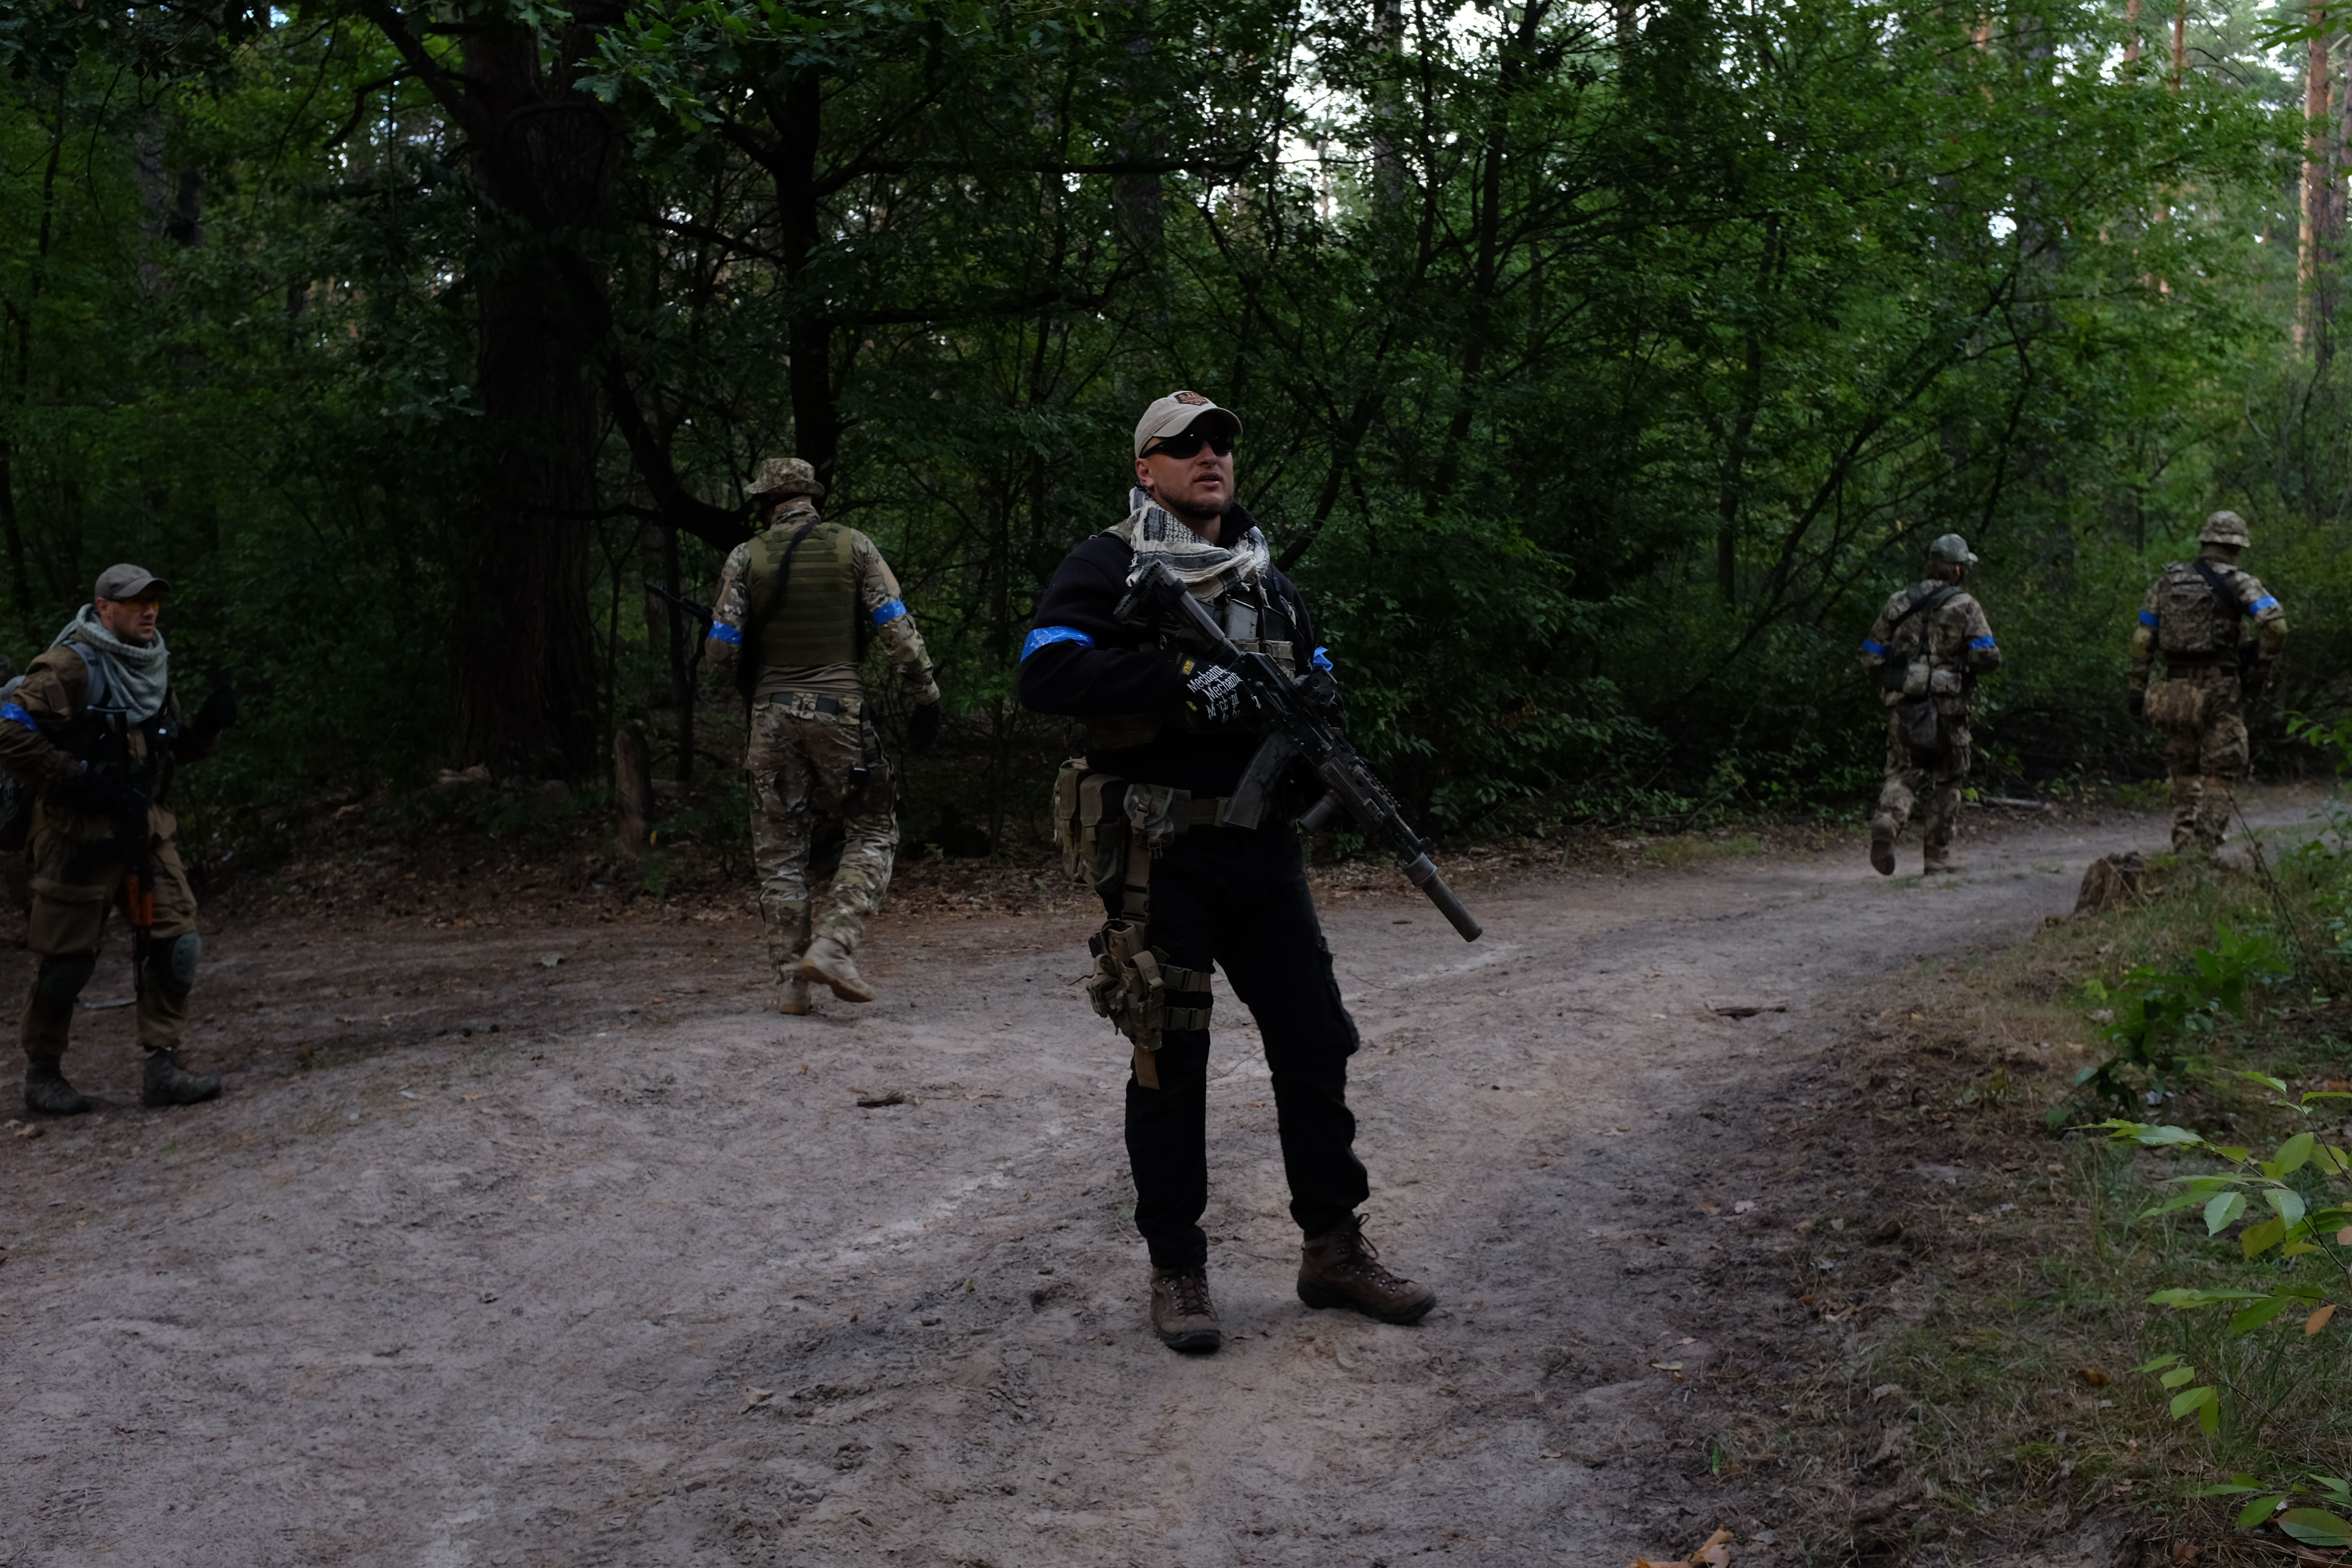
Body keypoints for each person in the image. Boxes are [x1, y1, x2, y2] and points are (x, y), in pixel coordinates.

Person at [1019, 389, 1435, 1354]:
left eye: (1221, 442)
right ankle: (1177, 1268)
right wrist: (1174, 681)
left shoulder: (1262, 575)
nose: (1209, 454)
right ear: (1147, 468)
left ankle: (1333, 1248)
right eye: (1185, 444)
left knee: (1315, 1041)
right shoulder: (1108, 562)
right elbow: (1045, 670)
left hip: (1264, 853)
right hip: (1163, 856)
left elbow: (1315, 670)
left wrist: (1320, 704)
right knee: (1170, 1057)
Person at [706, 456, 943, 1014]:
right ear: (810, 497)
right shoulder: (853, 546)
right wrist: (926, 693)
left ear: (766, 502)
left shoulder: (744, 557)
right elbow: (896, 631)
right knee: (874, 829)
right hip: (840, 713)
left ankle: (792, 985)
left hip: (771, 718)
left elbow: (720, 651)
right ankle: (834, 945)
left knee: (779, 851)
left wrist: (746, 671)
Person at [2, 564, 236, 1115]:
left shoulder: (151, 665)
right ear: (104, 608)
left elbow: (166, 748)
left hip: (144, 828)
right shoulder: (70, 666)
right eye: (134, 602)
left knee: (178, 945)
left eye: (153, 601)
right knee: (67, 964)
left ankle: (163, 1065)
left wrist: (207, 728)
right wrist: (76, 776)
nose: (148, 611)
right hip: (75, 836)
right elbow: (9, 731)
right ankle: (43, 1074)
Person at [2129, 510, 2287, 853]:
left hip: (2175, 691)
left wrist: (2137, 688)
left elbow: (2143, 639)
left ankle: (2184, 841)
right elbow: (2276, 626)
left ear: (2205, 542)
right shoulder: (2240, 582)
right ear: (2238, 546)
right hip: (2220, 688)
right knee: (2221, 770)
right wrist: (2259, 670)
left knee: (2184, 768)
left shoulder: (2168, 582)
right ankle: (2203, 849)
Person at [1862, 533, 2002, 876]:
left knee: (1903, 771)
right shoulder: (1966, 605)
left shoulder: (1898, 601)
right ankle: (1937, 857)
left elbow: (1871, 655)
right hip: (1948, 707)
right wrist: (1966, 666)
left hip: (1904, 703)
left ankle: (1888, 820)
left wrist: (1891, 687)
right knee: (1949, 777)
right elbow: (1987, 656)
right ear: (1957, 569)